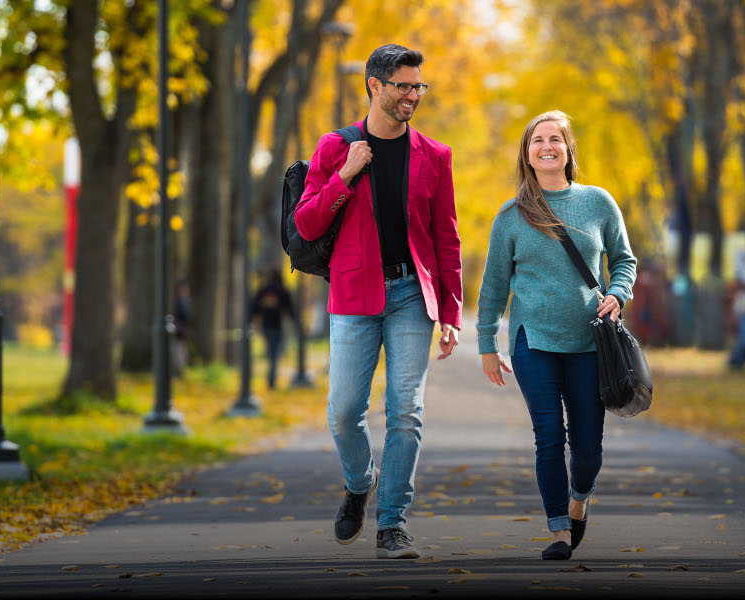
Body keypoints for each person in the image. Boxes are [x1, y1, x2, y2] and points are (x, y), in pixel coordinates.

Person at [293, 43, 462, 559]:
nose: (413, 94)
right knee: (344, 412)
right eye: (404, 85)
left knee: (405, 411)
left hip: (413, 292)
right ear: (374, 85)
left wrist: (451, 311)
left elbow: (446, 237)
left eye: (418, 86)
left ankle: (393, 523)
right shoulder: (334, 146)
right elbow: (307, 223)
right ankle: (359, 481)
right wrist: (345, 174)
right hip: (353, 292)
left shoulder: (435, 155)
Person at [475, 110, 637, 560]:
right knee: (548, 434)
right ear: (527, 154)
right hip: (533, 341)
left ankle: (579, 499)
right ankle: (559, 529)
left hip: (589, 341)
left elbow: (624, 260)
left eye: (555, 139)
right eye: (537, 140)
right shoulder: (510, 216)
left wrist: (618, 293)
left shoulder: (599, 202)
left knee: (587, 447)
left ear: (568, 149)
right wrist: (487, 343)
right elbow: (493, 288)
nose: (547, 147)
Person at [250, 269, 296, 390]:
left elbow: (254, 308)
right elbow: (290, 309)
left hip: (266, 326)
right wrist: (295, 322)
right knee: (275, 353)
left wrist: (250, 321)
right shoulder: (282, 291)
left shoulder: (263, 291)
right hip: (277, 326)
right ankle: (271, 380)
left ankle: (271, 378)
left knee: (272, 352)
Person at [172, 281, 192, 377]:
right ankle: (179, 369)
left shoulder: (183, 302)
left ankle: (180, 370)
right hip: (180, 331)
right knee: (179, 349)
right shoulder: (182, 302)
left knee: (179, 350)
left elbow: (185, 317)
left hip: (180, 331)